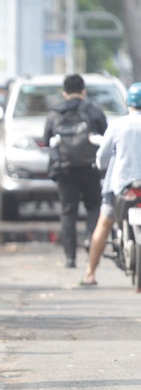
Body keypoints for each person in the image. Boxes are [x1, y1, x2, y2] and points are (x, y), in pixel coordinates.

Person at [43, 74, 107, 268]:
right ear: (83, 92)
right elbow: (105, 137)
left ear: (64, 93)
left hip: (64, 169)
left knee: (68, 212)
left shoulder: (55, 113)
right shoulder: (94, 111)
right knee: (94, 207)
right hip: (90, 168)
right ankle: (91, 247)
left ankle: (70, 257)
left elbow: (46, 140)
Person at [82, 83, 141, 285]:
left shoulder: (118, 125)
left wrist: (100, 164)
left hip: (121, 186)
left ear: (129, 103)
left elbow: (102, 158)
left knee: (104, 223)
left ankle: (90, 274)